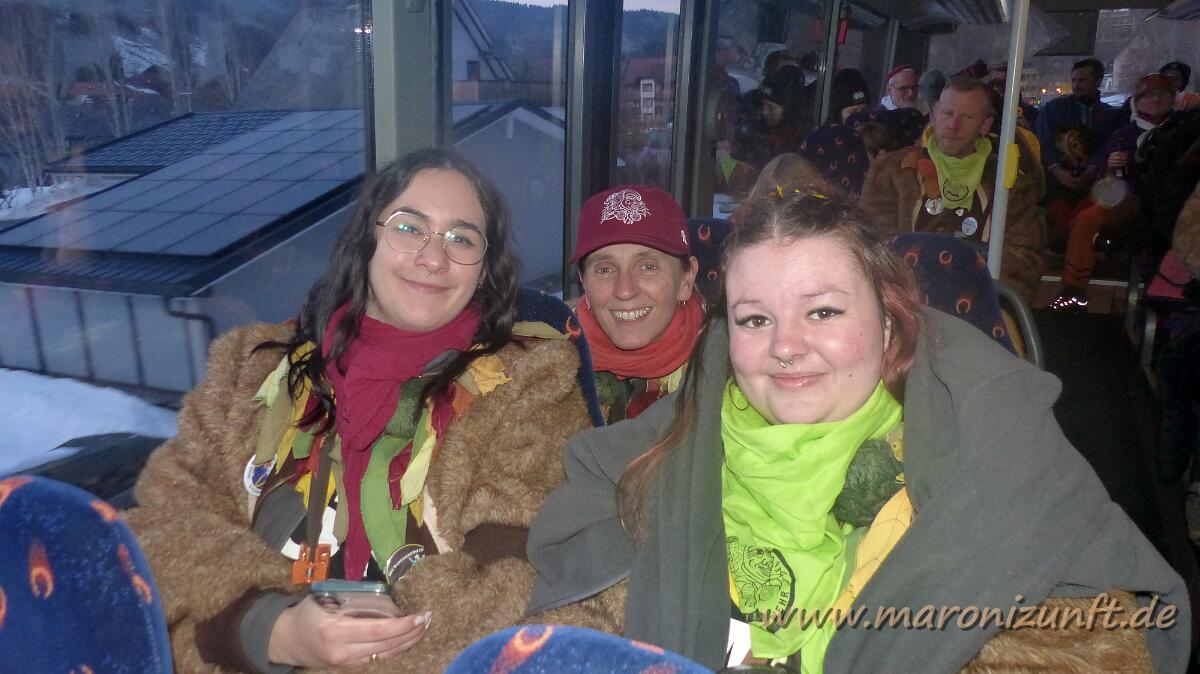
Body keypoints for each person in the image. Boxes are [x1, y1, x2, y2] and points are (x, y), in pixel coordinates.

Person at [526, 188, 1188, 673]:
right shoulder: (674, 442)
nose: (786, 346)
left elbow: (1104, 639)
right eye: (756, 319)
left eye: (822, 311)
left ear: (889, 321)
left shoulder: (989, 456)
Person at [125, 148, 593, 673]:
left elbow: (515, 589)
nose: (434, 258)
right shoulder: (249, 372)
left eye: (461, 239)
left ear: (484, 271)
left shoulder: (529, 387)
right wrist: (271, 630)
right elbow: (161, 525)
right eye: (410, 228)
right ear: (366, 240)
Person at [860, 76, 1044, 300]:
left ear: (984, 125)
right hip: (905, 300)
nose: (953, 125)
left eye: (967, 117)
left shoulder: (1009, 183)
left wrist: (974, 291)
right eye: (947, 114)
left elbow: (1024, 260)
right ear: (934, 115)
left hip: (977, 301)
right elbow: (871, 243)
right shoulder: (894, 170)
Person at [572, 185, 702, 423]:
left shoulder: (729, 367)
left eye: (648, 267)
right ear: (584, 283)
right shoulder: (546, 369)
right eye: (605, 269)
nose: (625, 290)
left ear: (686, 280)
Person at [1050, 73, 1179, 310]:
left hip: (1171, 202)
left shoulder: (1182, 129)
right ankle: (1074, 288)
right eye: (1149, 95)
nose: (1156, 100)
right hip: (1129, 201)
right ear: (1137, 102)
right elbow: (1104, 182)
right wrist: (1111, 166)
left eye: (1163, 94)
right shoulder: (1124, 135)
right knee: (1086, 219)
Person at [1034, 58, 1125, 236]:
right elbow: (1043, 142)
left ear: (1097, 81)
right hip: (1056, 182)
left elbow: (1106, 145)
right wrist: (1058, 171)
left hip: (1093, 181)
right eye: (1074, 80)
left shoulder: (1109, 116)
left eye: (1082, 80)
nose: (1076, 85)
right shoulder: (1054, 109)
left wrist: (1091, 170)